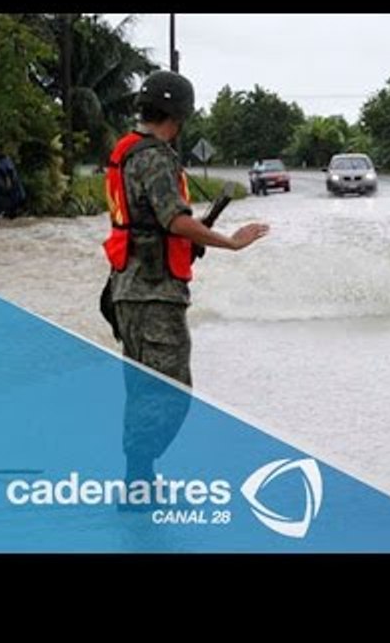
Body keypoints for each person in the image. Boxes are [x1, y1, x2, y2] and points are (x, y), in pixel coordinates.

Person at [103, 70, 268, 490]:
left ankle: (138, 480)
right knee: (172, 391)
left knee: (143, 392)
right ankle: (139, 474)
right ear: (177, 117)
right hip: (152, 295)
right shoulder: (154, 157)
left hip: (127, 290)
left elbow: (149, 224)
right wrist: (229, 242)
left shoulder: (128, 152)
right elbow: (175, 220)